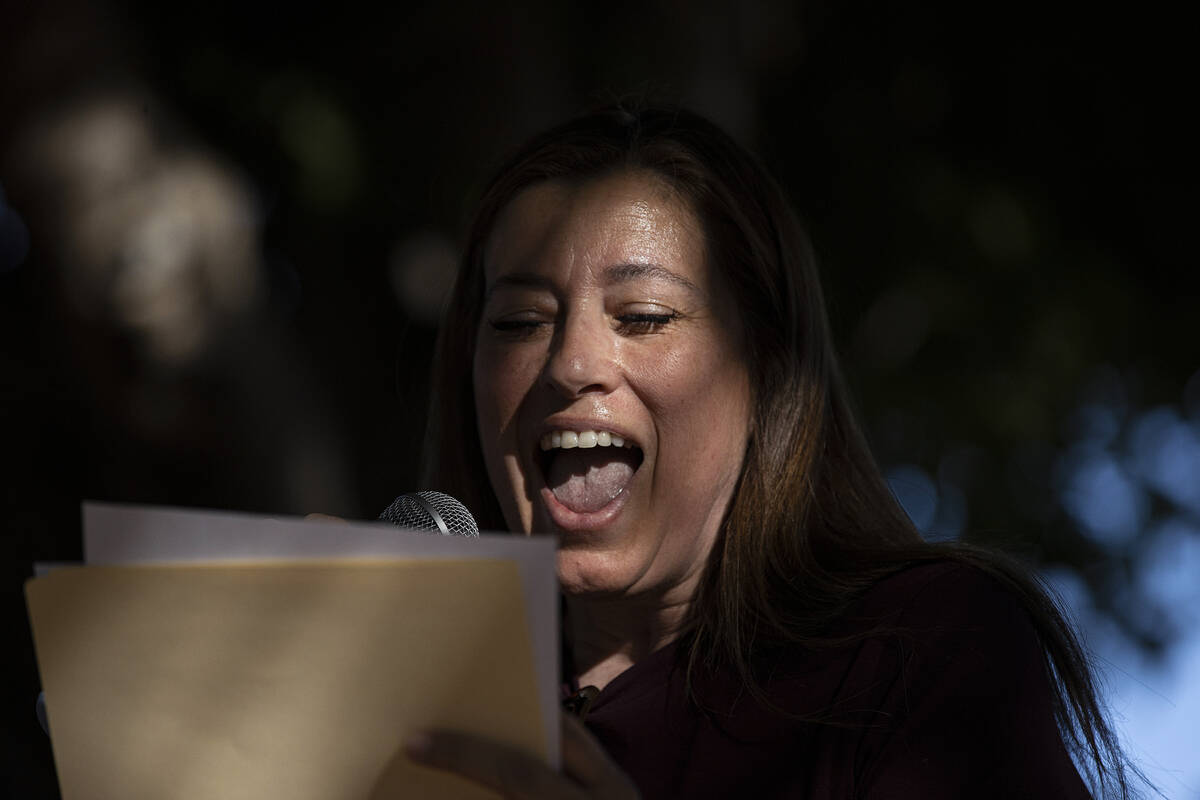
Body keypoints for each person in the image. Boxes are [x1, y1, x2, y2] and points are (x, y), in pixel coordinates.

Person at [403, 105, 1138, 798]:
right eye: (520, 321)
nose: (571, 364)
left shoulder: (922, 647)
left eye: (645, 316)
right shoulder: (416, 695)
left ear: (767, 368)